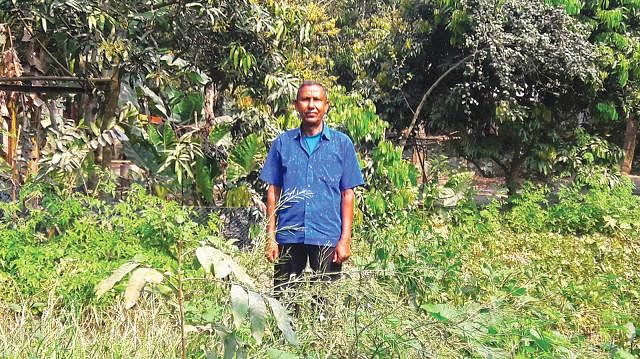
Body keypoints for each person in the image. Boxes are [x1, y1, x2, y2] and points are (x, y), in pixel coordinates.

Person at [259, 81, 364, 291]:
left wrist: (345, 240)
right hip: (289, 234)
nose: (311, 105)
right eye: (305, 99)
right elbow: (273, 192)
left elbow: (347, 194)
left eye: (317, 99)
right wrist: (271, 238)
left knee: (325, 302)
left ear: (326, 105)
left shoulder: (342, 144)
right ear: (296, 105)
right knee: (286, 300)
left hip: (326, 235)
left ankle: (323, 326)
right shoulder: (283, 143)